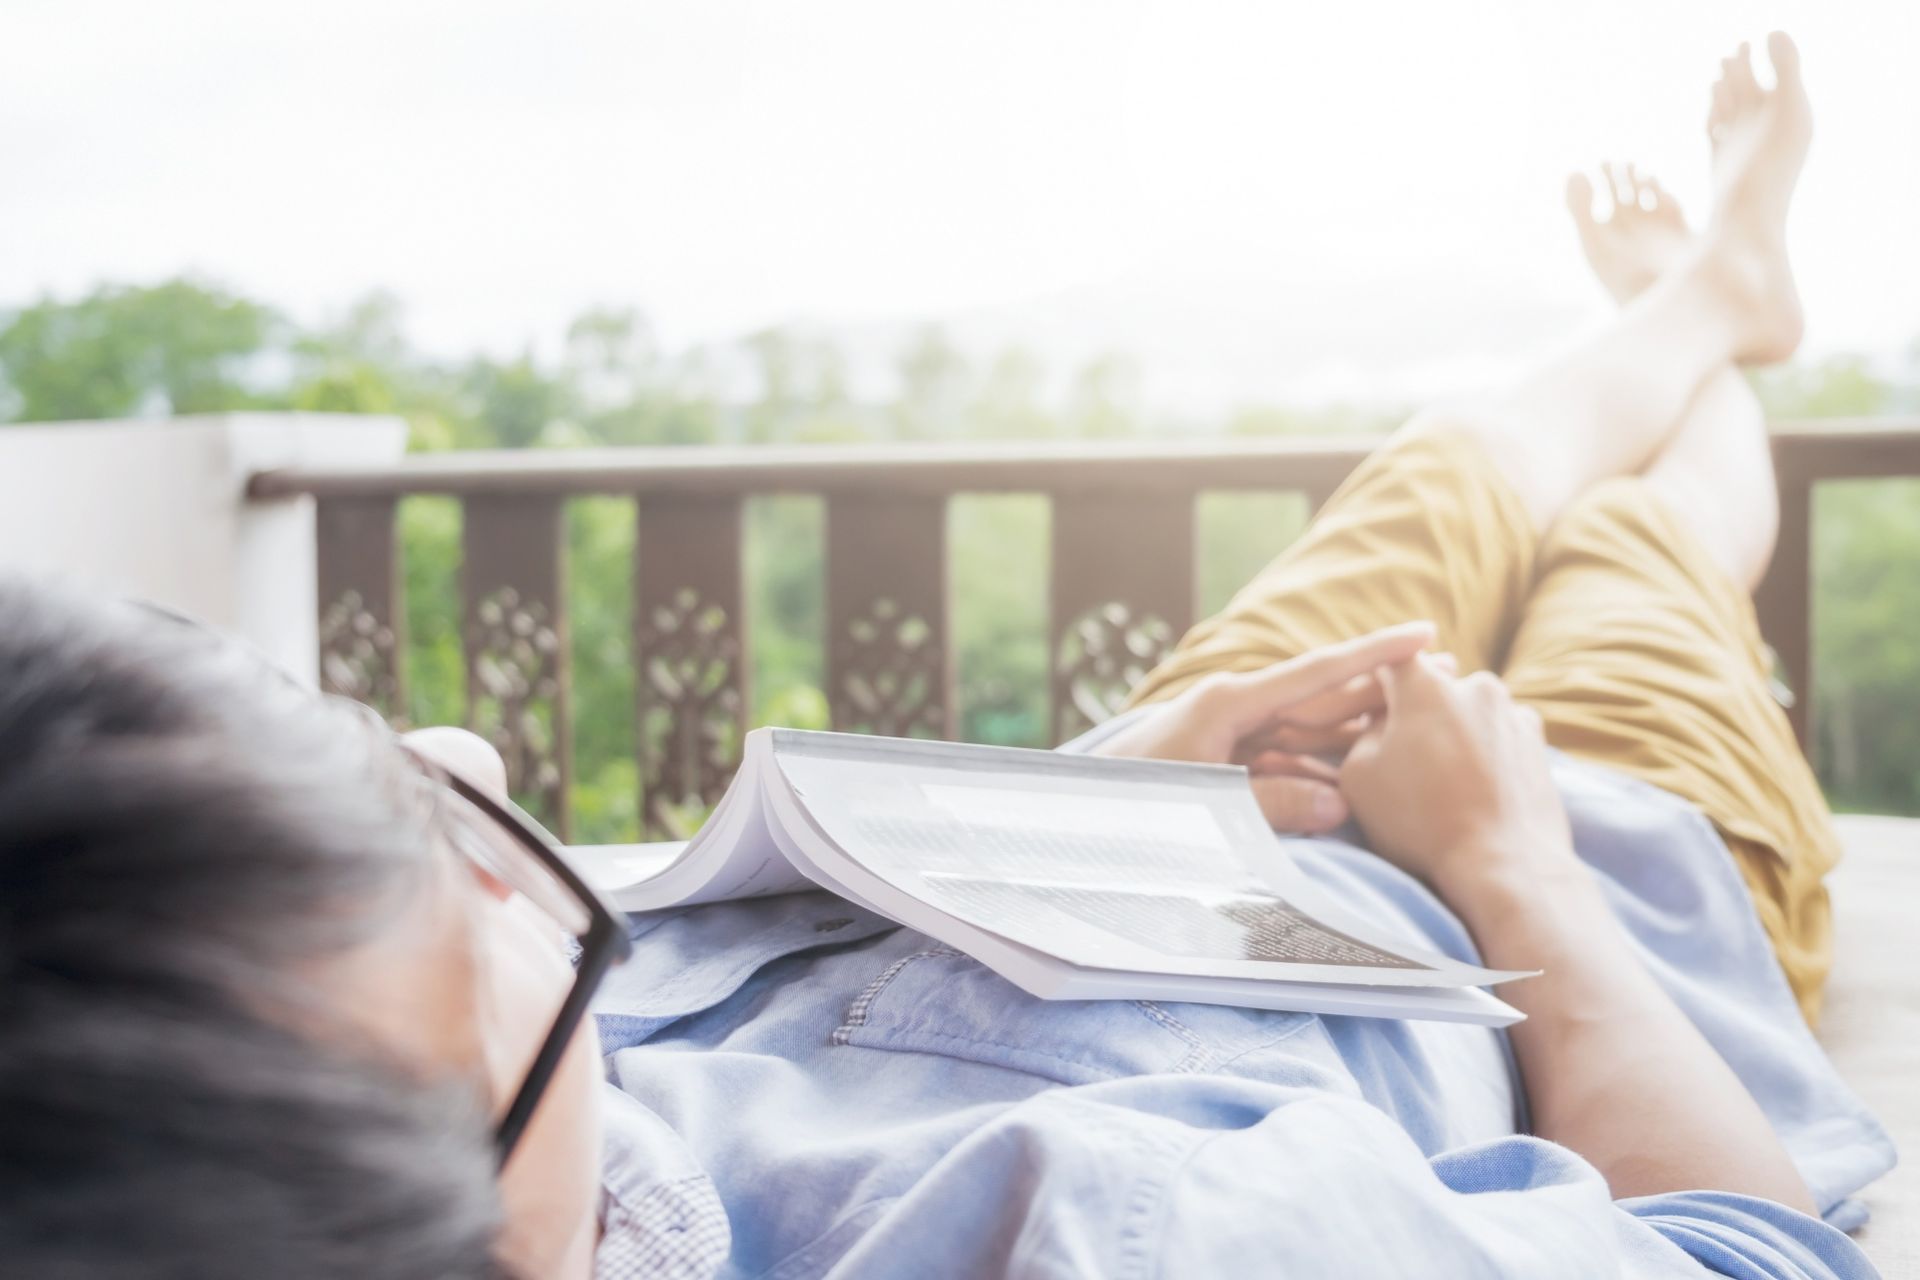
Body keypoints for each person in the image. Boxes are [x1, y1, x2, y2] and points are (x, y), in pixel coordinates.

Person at [0, 32, 1891, 1280]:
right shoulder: (1107, 1242)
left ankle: (1706, 292)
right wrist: (1511, 862)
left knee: (1450, 469)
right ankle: (1715, 319)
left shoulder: (415, 1106)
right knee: (1646, 559)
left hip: (1168, 816)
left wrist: (1116, 769)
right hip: (1556, 915)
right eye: (483, 893)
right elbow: (1750, 1253)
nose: (481, 771)